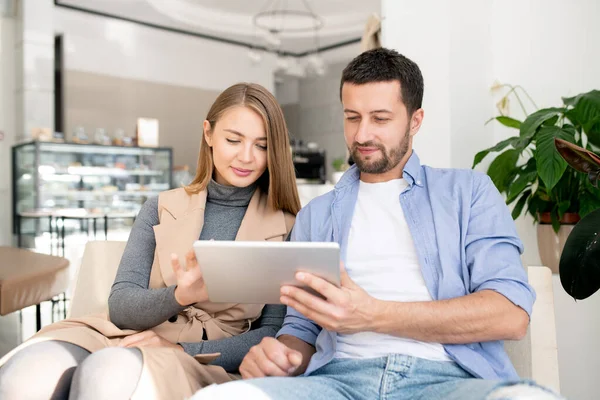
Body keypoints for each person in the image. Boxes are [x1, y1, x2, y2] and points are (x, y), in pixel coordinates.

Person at [191, 49, 562, 400]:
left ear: (415, 120)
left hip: (448, 380)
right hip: (337, 381)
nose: (362, 135)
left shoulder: (468, 193)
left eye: (380, 119)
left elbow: (510, 314)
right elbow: (301, 329)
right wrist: (281, 356)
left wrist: (373, 315)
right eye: (352, 117)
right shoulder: (315, 215)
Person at [0, 82, 301, 400]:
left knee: (106, 375)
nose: (246, 156)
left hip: (199, 358)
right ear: (208, 134)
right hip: (116, 333)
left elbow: (273, 334)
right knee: (22, 378)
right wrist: (179, 295)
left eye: (262, 145)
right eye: (233, 140)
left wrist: (183, 348)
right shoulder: (160, 207)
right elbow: (120, 308)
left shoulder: (289, 226)